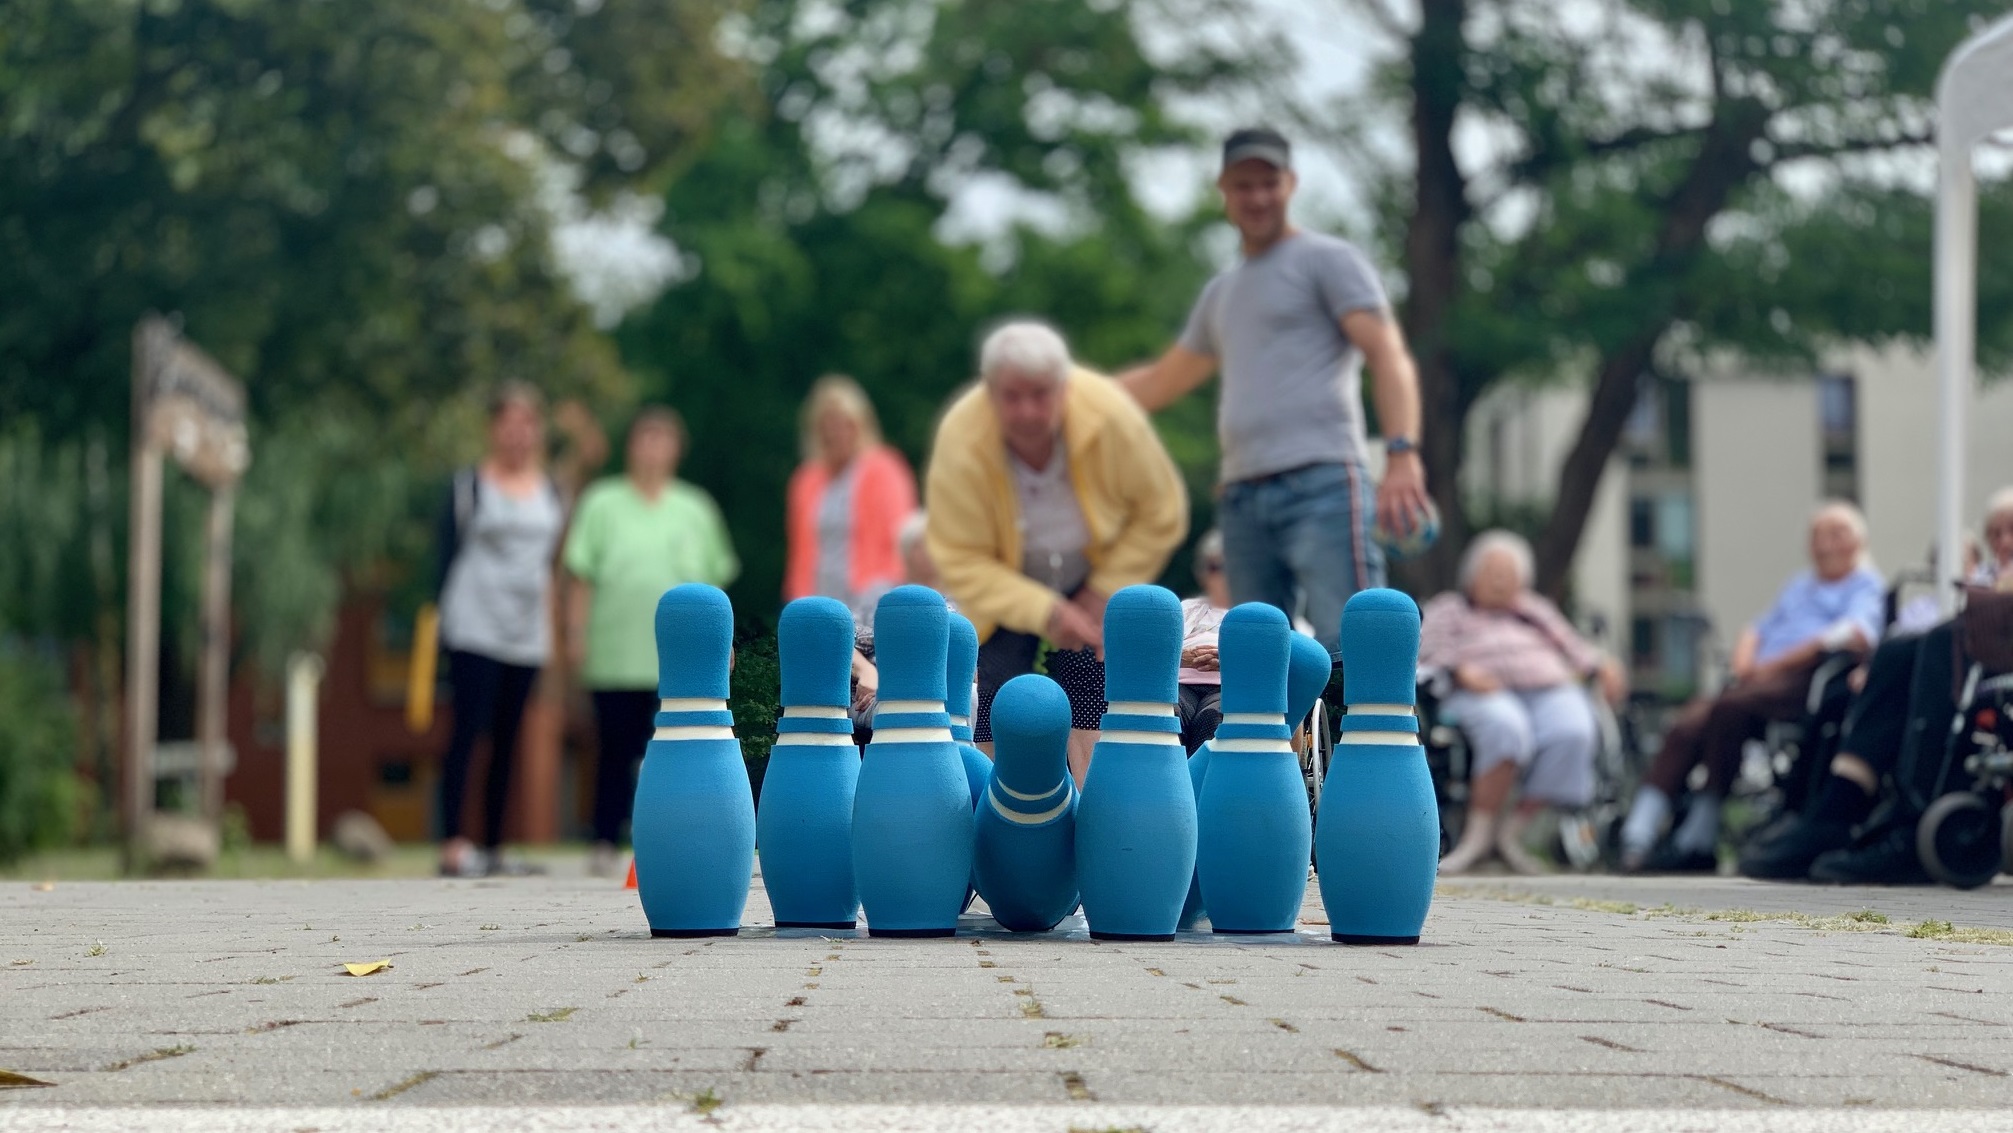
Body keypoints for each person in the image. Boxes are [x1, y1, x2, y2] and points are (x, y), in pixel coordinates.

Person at [1118, 126, 1431, 652]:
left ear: (1291, 183)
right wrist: (1064, 394)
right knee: (1255, 658)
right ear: (1224, 189)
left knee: (1351, 642)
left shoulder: (1326, 261)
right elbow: (1160, 380)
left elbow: (1386, 352)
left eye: (1270, 182)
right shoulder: (1223, 292)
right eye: (1244, 184)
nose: (1258, 196)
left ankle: (1378, 735)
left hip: (1324, 483)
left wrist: (1402, 453)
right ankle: (1280, 741)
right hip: (1243, 497)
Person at [927, 320, 1188, 784]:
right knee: (999, 690)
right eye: (1011, 397)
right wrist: (1046, 610)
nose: (1027, 411)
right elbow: (961, 555)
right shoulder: (960, 436)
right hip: (1007, 574)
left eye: (1041, 395)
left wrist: (1102, 589)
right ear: (990, 395)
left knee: (1087, 682)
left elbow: (1161, 510)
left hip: (1094, 565)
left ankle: (1089, 813)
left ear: (1065, 390)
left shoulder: (1112, 417)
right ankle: (994, 813)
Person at [1740, 487, 2013, 883]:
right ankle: (1839, 807)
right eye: (1995, 534)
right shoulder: (1990, 578)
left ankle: (1911, 817)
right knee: (1896, 650)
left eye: (2012, 531)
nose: (2003, 542)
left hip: (1984, 669)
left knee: (1939, 643)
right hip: (1974, 663)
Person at [1618, 501, 1885, 873]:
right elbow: (1757, 628)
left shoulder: (1866, 584)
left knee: (1726, 708)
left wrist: (1770, 665)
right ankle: (1639, 833)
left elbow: (1853, 634)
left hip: (1805, 680)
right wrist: (1746, 661)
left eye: (1835, 534)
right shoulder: (1799, 585)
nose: (1824, 544)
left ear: (1858, 542)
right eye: (1817, 535)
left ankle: (1700, 832)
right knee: (1686, 724)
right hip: (1754, 681)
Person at [563, 407, 739, 877]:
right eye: (645, 438)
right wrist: (574, 632)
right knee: (612, 750)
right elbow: (580, 574)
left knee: (679, 750)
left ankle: (685, 836)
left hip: (681, 661)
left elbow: (716, 585)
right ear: (631, 446)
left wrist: (725, 641)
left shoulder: (696, 508)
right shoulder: (602, 502)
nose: (653, 448)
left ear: (677, 449)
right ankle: (604, 838)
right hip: (616, 651)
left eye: (663, 439)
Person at [1418, 531, 1627, 875]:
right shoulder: (1450, 608)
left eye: (1508, 572)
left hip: (1546, 688)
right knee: (1507, 728)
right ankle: (1478, 838)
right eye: (1492, 571)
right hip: (1481, 690)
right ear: (1471, 575)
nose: (1500, 580)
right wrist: (1459, 670)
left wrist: (1603, 665)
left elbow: (1575, 648)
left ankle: (1511, 833)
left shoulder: (1534, 611)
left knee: (1574, 730)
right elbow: (1426, 654)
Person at [433, 382, 566, 878]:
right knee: (467, 733)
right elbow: (445, 557)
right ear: (494, 430)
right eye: (508, 425)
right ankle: (453, 842)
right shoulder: (469, 485)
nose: (518, 435)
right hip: (472, 622)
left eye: (527, 425)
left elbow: (553, 565)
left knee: (511, 738)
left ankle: (493, 845)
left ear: (538, 432)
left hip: (526, 631)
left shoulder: (553, 489)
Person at [785, 375, 918, 624]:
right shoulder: (806, 479)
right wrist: (798, 603)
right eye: (827, 425)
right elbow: (800, 553)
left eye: (842, 424)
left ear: (859, 424)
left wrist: (882, 596)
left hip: (872, 600)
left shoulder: (885, 469)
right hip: (819, 601)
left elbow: (902, 542)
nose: (835, 433)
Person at [1178, 530, 1232, 756]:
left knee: (1214, 716)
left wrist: (1229, 660)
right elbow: (1161, 650)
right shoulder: (1187, 608)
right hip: (1182, 684)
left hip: (1228, 686)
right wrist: (1183, 657)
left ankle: (1198, 785)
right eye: (1213, 568)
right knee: (1166, 711)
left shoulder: (1255, 613)